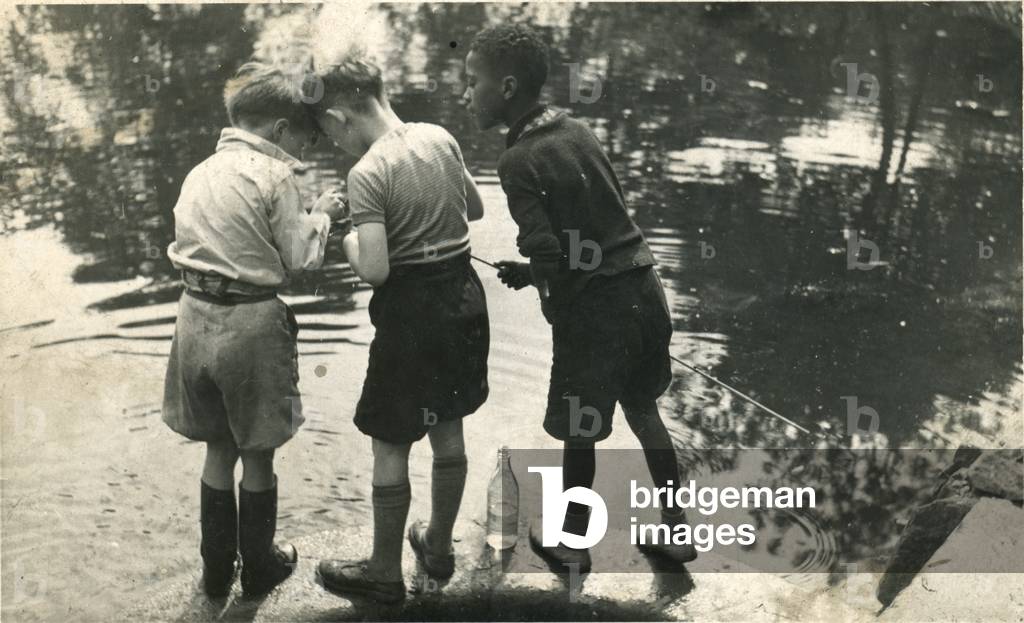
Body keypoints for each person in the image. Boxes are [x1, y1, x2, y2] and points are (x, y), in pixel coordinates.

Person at [462, 24, 698, 573]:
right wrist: (533, 273)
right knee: (643, 411)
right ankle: (678, 533)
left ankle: (572, 542)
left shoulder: (517, 161)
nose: (464, 94)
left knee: (578, 430)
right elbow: (593, 232)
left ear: (508, 87)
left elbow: (551, 252)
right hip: (644, 290)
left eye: (472, 82)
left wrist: (540, 274)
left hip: (599, 317)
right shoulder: (578, 129)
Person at [306, 57, 489, 604]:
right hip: (463, 300)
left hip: (411, 316)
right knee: (448, 428)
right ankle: (438, 545)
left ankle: (383, 570)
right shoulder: (440, 136)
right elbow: (475, 209)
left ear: (339, 118)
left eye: (328, 134)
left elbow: (376, 268)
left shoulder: (366, 174)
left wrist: (344, 239)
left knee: (390, 442)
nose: (334, 145)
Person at [162, 62, 347, 597]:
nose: (305, 152)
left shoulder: (200, 171)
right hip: (248, 322)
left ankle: (217, 571)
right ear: (280, 131)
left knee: (217, 447)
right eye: (305, 139)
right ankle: (261, 565)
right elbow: (299, 257)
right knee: (258, 451)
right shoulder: (274, 176)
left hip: (194, 314)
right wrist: (324, 214)